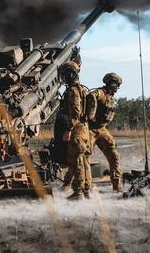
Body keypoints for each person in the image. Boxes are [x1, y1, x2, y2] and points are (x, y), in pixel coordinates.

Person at [59, 61, 92, 200]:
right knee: (84, 162)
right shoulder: (83, 89)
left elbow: (75, 113)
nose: (64, 77)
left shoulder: (73, 90)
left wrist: (68, 129)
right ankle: (86, 191)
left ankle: (78, 193)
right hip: (84, 129)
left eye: (65, 74)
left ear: (71, 74)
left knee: (76, 162)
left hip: (76, 130)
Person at [89, 72, 123, 192]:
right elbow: (92, 96)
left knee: (114, 156)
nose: (118, 88)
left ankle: (117, 185)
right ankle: (83, 186)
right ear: (111, 84)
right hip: (90, 129)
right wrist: (91, 114)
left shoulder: (110, 97)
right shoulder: (100, 93)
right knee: (83, 157)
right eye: (117, 85)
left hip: (102, 129)